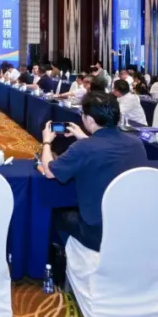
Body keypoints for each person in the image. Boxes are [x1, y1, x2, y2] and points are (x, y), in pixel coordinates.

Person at [38, 91, 149, 252]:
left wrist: (47, 141)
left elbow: (49, 171)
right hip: (133, 225)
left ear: (89, 120)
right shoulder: (136, 143)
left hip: (96, 232)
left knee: (55, 212)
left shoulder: (83, 148)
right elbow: (104, 150)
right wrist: (84, 137)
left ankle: (65, 255)